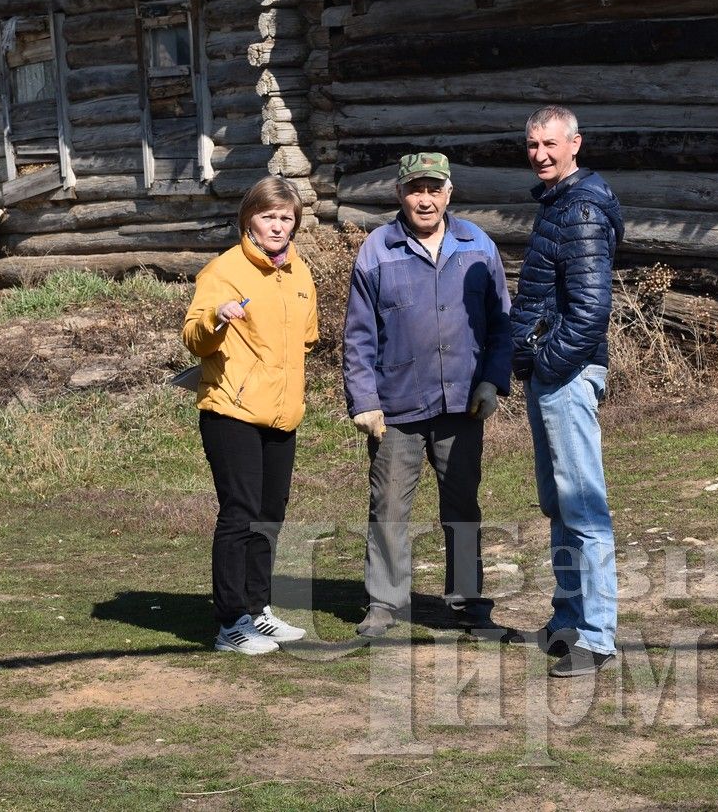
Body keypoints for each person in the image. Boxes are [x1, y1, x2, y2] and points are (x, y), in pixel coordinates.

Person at [343, 152, 516, 640]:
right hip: (396, 406)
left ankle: (469, 603)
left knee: (462, 504)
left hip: (464, 401)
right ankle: (383, 604)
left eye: (434, 188)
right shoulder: (378, 249)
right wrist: (364, 400)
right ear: (400, 193)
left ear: (449, 192)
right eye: (415, 189)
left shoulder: (476, 243)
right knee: (389, 506)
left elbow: (501, 322)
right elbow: (358, 335)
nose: (425, 198)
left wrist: (492, 380)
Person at [510, 106, 625, 677]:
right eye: (532, 145)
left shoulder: (580, 208)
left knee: (584, 506)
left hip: (568, 375)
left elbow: (589, 312)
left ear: (575, 143)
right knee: (559, 502)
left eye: (550, 143)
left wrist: (547, 363)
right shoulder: (560, 202)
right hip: (551, 375)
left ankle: (598, 637)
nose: (540, 154)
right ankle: (569, 617)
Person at [182, 176, 318, 655]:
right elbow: (194, 337)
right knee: (239, 514)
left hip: (282, 413)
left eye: (286, 217)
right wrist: (217, 318)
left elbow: (305, 340)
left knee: (269, 515)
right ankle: (230, 622)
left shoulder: (301, 275)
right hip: (231, 409)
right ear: (248, 220)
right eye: (268, 216)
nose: (278, 226)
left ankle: (258, 610)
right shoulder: (222, 271)